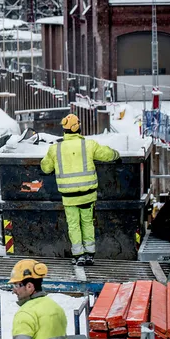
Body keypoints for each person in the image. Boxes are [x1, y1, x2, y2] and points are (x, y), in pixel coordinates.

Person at [39, 113, 119, 265]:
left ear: (64, 129)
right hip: (87, 195)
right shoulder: (88, 145)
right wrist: (116, 155)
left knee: (73, 224)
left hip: (69, 196)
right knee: (87, 222)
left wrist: (47, 159)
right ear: (78, 127)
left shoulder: (55, 148)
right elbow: (107, 154)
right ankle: (89, 254)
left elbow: (46, 167)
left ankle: (78, 255)